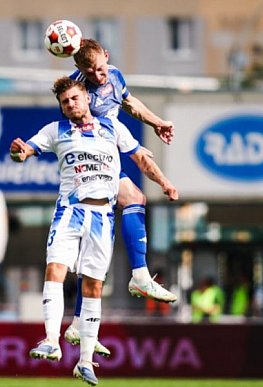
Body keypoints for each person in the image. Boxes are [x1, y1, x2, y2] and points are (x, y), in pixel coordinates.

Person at [10, 77, 178, 385]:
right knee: (55, 270)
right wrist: (18, 152)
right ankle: (50, 340)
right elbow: (26, 151)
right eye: (64, 102)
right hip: (69, 212)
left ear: (86, 98)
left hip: (102, 217)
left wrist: (165, 183)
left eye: (74, 98)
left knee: (93, 286)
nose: (70, 104)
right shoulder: (55, 131)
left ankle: (85, 361)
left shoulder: (112, 127)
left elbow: (141, 158)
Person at [64, 38, 177, 356]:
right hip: (89, 163)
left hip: (108, 155)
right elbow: (74, 122)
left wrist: (156, 123)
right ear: (79, 69)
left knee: (101, 244)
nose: (98, 76)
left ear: (107, 60)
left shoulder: (115, 75)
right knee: (133, 201)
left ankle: (78, 324)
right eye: (90, 71)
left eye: (100, 69)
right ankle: (139, 276)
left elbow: (129, 103)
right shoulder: (78, 91)